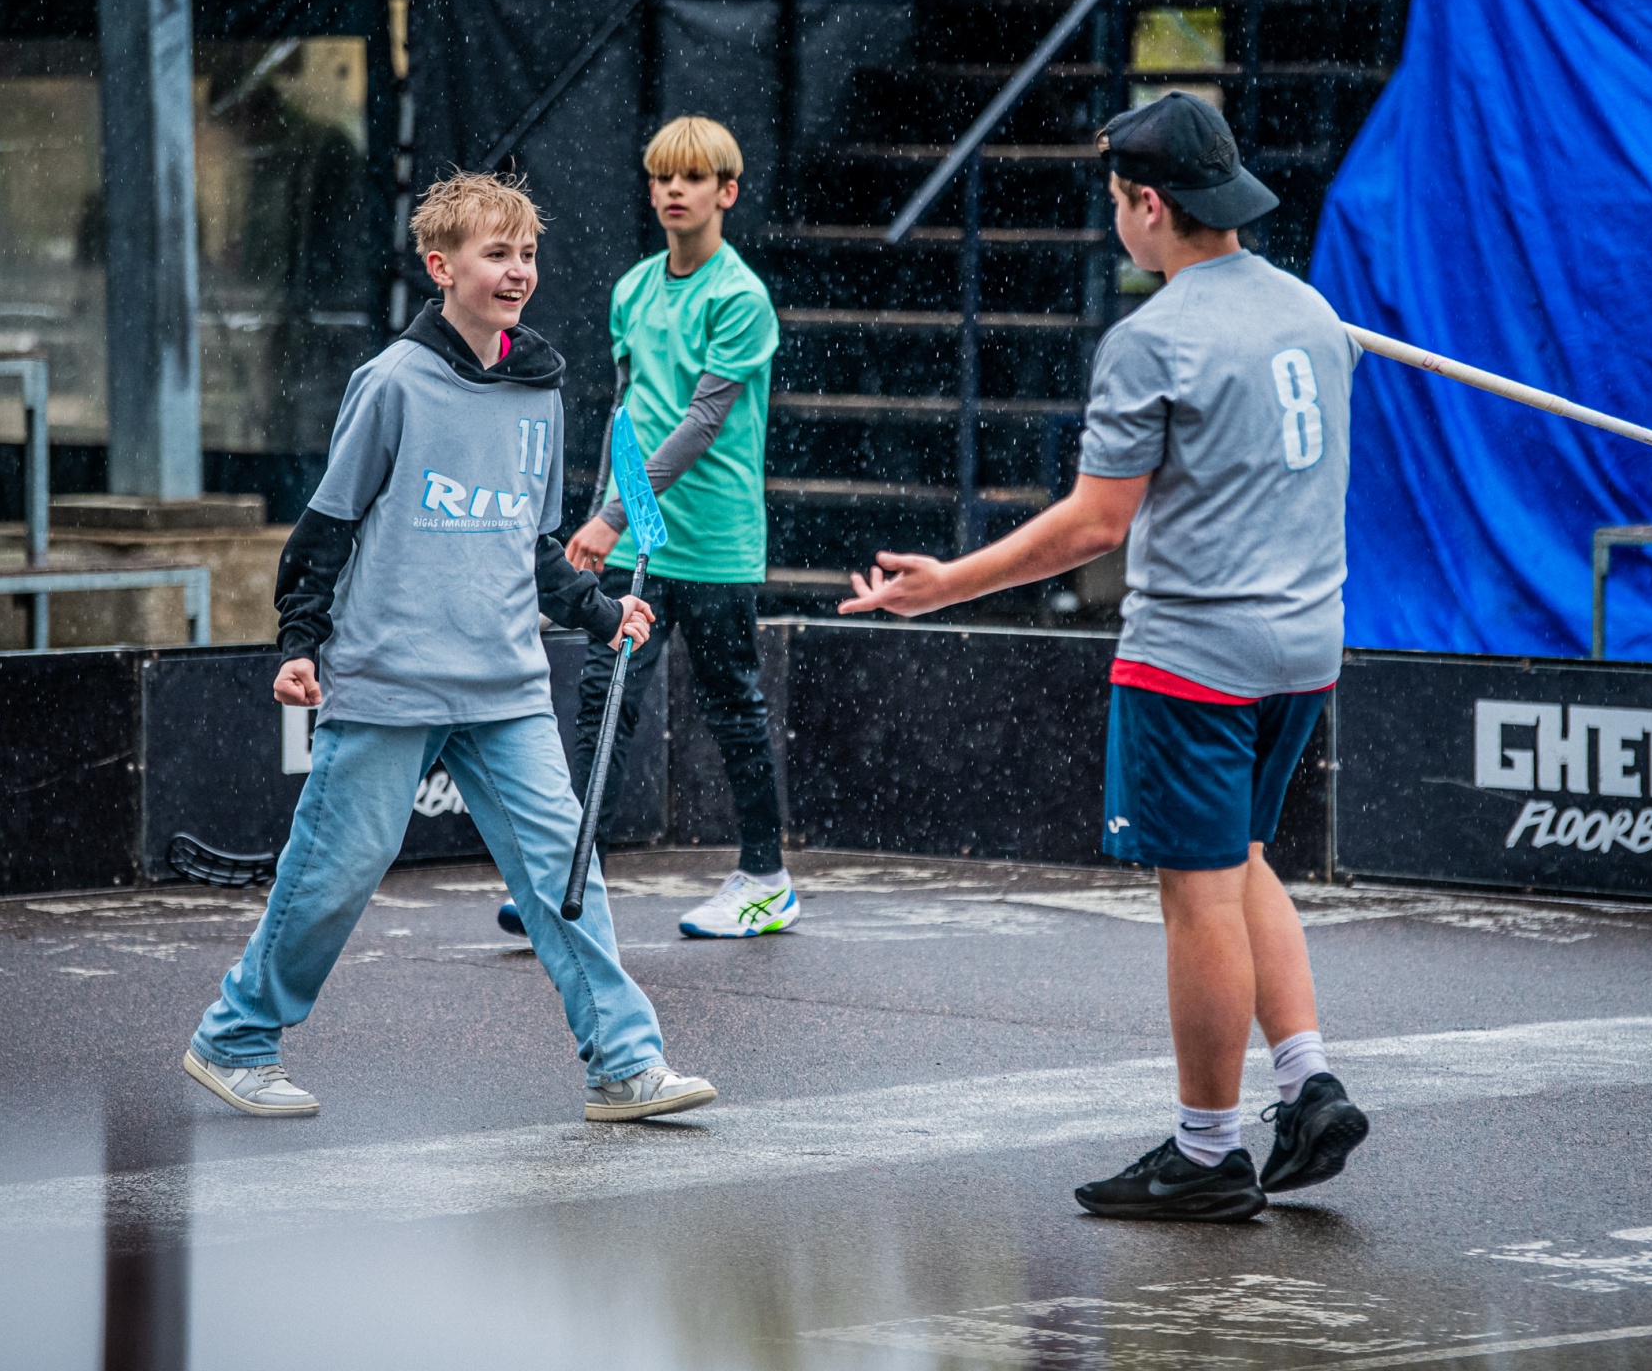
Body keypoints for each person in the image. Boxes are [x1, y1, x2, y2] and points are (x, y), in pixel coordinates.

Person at [840, 92, 1368, 1222]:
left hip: (1197, 655)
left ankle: (1207, 1153)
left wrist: (946, 584)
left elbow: (1094, 526)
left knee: (1198, 892)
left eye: (1119, 202)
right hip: (1304, 646)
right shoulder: (1314, 313)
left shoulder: (1152, 340)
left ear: (1149, 206)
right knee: (1242, 858)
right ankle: (1307, 1083)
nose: (1116, 220)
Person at [182, 170, 717, 1123]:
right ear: (441, 267)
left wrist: (603, 615)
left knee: (566, 872)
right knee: (335, 872)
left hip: (505, 685)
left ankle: (624, 1065)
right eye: (496, 254)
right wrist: (300, 641)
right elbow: (326, 528)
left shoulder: (541, 390)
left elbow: (534, 546)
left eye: (528, 255)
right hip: (389, 680)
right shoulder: (390, 383)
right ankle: (236, 1038)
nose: (518, 272)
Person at [501, 115, 791, 941]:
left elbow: (700, 425)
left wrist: (608, 515)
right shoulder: (632, 289)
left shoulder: (740, 298)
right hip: (635, 547)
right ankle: (573, 878)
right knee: (604, 702)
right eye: (663, 177)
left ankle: (767, 880)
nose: (673, 191)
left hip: (715, 544)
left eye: (692, 178)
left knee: (733, 706)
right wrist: (602, 517)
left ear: (726, 192)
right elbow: (627, 416)